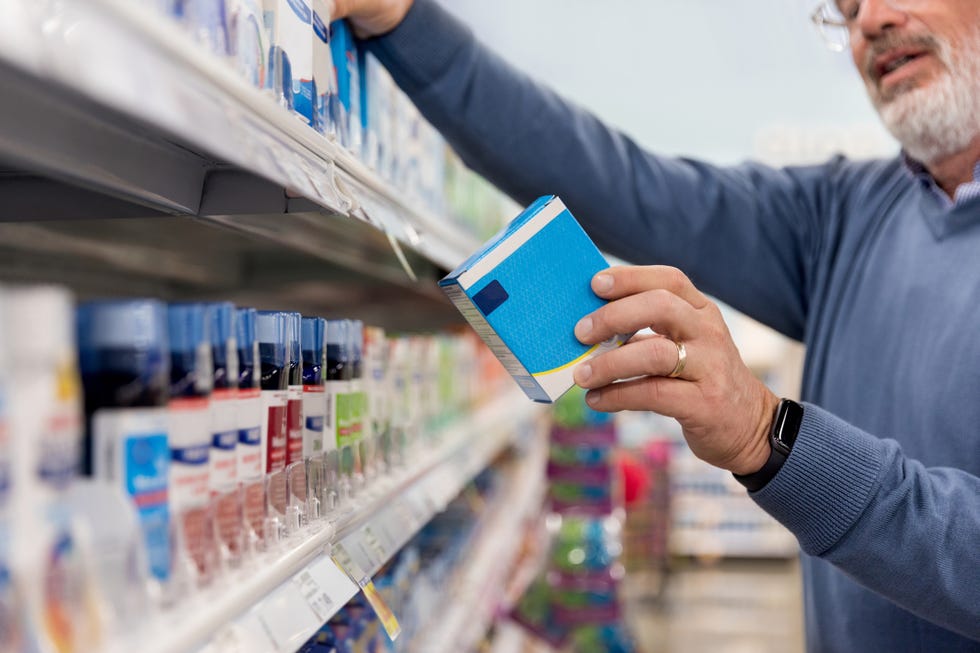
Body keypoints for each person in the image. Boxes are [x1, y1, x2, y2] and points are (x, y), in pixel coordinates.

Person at [331, 0, 980, 650]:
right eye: (847, 7)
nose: (869, 20)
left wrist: (767, 434)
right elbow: (624, 185)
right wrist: (405, 23)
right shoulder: (848, 215)